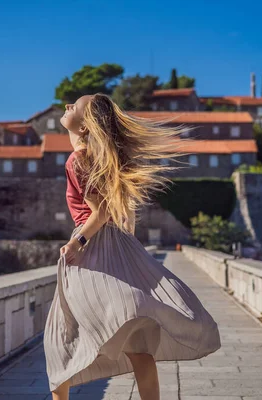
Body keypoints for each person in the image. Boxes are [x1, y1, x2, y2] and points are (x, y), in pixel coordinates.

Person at [44, 94, 221, 400]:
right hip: (118, 244)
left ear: (85, 127)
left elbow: (99, 213)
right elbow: (123, 214)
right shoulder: (100, 158)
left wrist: (77, 242)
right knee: (139, 347)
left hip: (92, 247)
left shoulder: (77, 160)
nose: (68, 105)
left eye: (77, 105)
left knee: (61, 343)